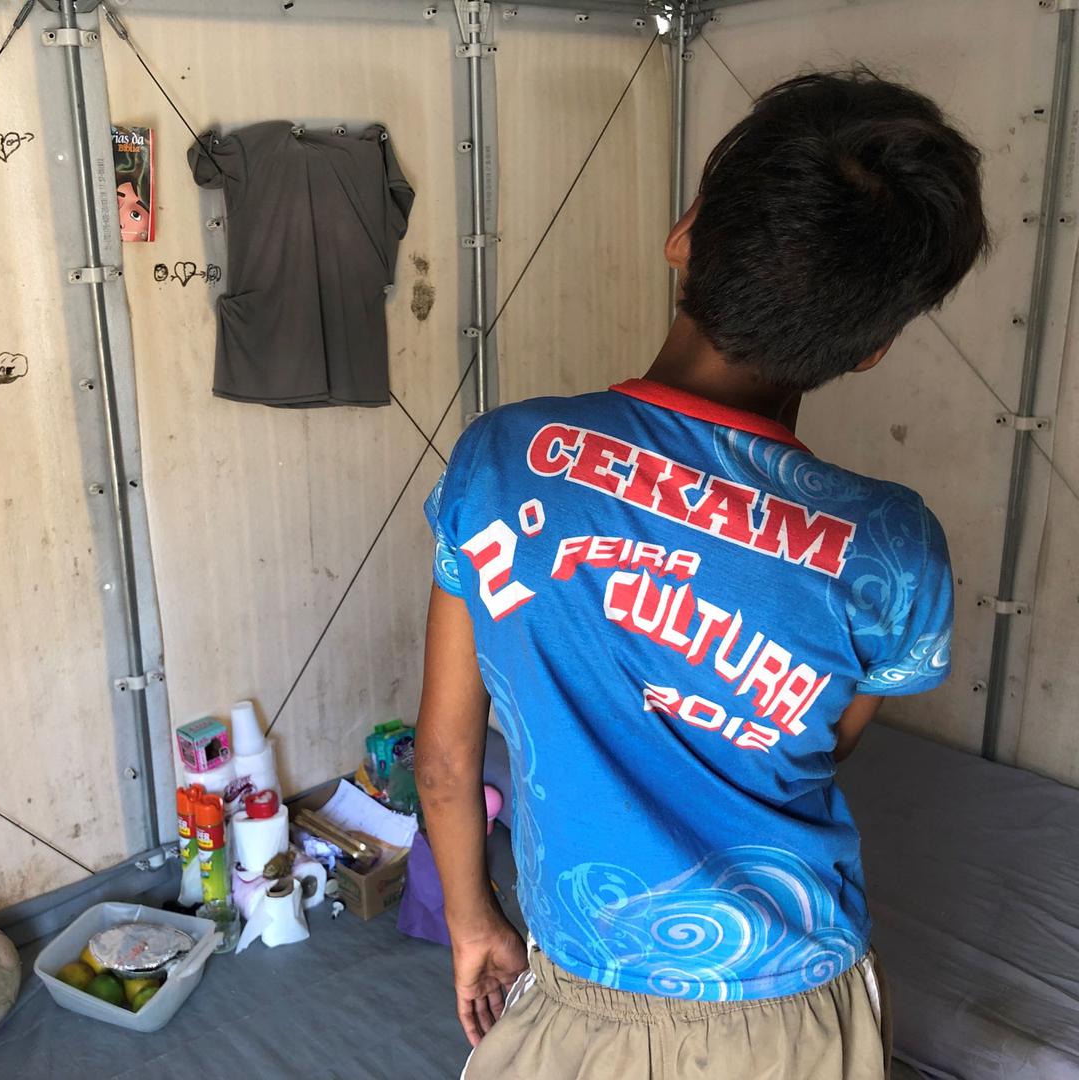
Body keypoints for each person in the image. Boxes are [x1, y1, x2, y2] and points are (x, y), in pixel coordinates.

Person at [415, 69, 988, 1080]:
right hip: (795, 1012)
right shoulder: (895, 549)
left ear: (685, 232)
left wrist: (473, 922)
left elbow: (449, 763)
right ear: (872, 347)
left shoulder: (500, 459)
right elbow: (821, 746)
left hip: (583, 987)